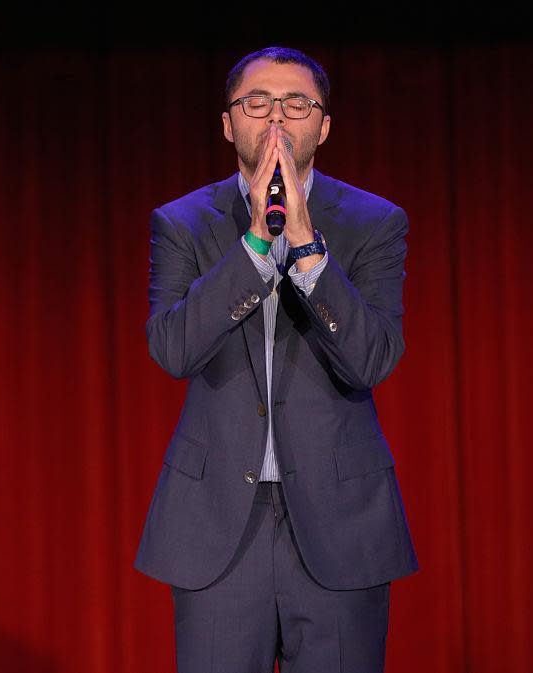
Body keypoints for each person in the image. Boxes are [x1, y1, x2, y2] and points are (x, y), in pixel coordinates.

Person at [134, 46, 418, 672]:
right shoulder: (183, 222)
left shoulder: (374, 222)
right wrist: (258, 242)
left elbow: (370, 359)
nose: (276, 120)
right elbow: (174, 349)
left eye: (296, 104)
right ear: (229, 124)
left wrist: (306, 247)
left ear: (323, 126)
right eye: (257, 104)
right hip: (217, 526)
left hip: (341, 522)